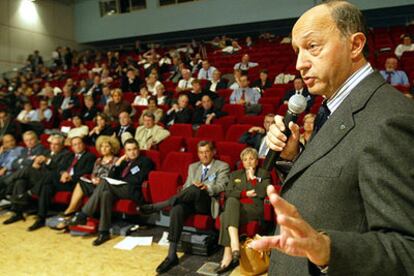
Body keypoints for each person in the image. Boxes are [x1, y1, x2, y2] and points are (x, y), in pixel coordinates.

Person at [249, 2, 414, 275]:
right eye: (296, 51)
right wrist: (292, 157)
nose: (299, 63)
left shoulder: (391, 119)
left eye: (312, 46)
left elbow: (406, 248)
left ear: (355, 45)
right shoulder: (330, 107)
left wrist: (327, 250)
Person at [140, 141, 230, 274]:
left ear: (213, 152)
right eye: (201, 152)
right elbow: (186, 187)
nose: (204, 155)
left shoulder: (222, 166)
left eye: (206, 152)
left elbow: (223, 186)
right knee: (177, 209)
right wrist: (190, 188)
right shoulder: (193, 167)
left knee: (196, 189)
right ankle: (171, 255)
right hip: (191, 201)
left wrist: (206, 187)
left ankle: (161, 205)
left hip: (207, 202)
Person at [69, 138, 154, 246]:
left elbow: (138, 179)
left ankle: (83, 214)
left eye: (134, 149)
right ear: (125, 152)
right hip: (118, 189)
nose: (132, 152)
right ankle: (103, 232)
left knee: (105, 182)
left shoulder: (145, 161)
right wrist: (118, 163)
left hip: (133, 191)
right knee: (105, 194)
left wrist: (117, 182)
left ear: (138, 149)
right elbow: (111, 176)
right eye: (129, 150)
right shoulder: (124, 163)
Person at [216, 148, 271, 274]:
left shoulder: (263, 174)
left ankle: (228, 254)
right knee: (231, 203)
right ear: (242, 162)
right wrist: (245, 193)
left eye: (251, 159)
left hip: (255, 209)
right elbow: (228, 192)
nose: (249, 162)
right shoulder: (235, 175)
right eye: (245, 160)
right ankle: (234, 248)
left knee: (225, 215)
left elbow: (262, 193)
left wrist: (253, 179)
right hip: (237, 208)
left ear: (257, 161)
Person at [2, 134, 71, 230]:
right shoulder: (46, 152)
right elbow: (35, 164)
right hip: (39, 177)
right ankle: (18, 213)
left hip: (52, 180)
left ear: (62, 145)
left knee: (27, 170)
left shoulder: (67, 154)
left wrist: (48, 161)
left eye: (56, 144)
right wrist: (36, 163)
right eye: (51, 144)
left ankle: (4, 183)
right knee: (20, 181)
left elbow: (61, 170)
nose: (53, 146)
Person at [27, 136, 96, 230]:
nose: (78, 146)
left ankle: (33, 191)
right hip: (63, 181)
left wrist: (70, 177)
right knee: (46, 187)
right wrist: (63, 173)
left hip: (76, 184)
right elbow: (60, 168)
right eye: (75, 144)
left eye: (79, 143)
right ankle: (41, 218)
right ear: (72, 147)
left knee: (50, 175)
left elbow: (87, 171)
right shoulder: (70, 156)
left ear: (83, 144)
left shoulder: (90, 156)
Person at [52, 135, 120, 230]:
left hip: (105, 187)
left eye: (107, 146)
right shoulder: (98, 160)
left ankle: (68, 214)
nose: (104, 149)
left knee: (81, 184)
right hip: (94, 185)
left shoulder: (116, 161)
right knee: (81, 181)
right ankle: (71, 213)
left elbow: (114, 177)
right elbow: (93, 173)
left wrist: (101, 180)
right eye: (102, 146)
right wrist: (93, 179)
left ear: (112, 148)